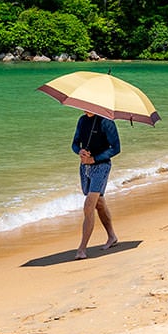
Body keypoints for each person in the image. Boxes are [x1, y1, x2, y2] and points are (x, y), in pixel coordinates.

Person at [72, 110, 122, 259]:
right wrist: (80, 151)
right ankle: (112, 237)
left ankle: (81, 249)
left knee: (89, 206)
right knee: (99, 203)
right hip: (84, 167)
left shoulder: (107, 122)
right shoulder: (82, 120)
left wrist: (94, 159)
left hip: (101, 167)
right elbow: (74, 143)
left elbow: (116, 148)